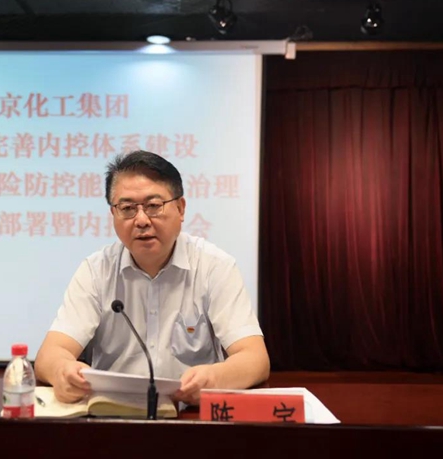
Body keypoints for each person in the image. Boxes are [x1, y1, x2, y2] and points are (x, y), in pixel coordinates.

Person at [34, 150, 269, 405]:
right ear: (113, 215)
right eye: (127, 208)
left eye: (154, 206)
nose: (141, 220)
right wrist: (63, 371)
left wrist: (215, 378)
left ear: (180, 208)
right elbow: (50, 355)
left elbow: (255, 359)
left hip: (190, 413)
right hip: (112, 414)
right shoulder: (96, 270)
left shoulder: (214, 267)